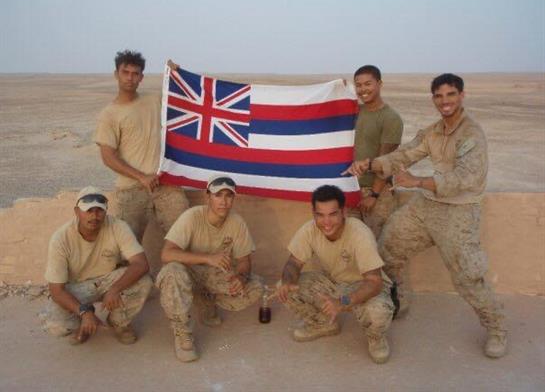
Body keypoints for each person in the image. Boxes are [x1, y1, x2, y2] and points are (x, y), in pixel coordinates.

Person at [344, 73, 507, 358]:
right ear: (433, 99)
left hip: (459, 211)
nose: (445, 101)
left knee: (468, 277)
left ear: (462, 96)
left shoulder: (472, 134)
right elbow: (405, 154)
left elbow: (464, 179)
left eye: (451, 94)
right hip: (426, 205)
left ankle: (496, 329)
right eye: (439, 96)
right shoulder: (433, 131)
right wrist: (370, 163)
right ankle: (397, 300)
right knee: (387, 249)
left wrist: (417, 182)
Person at [277, 185, 394, 364]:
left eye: (333, 214)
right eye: (320, 215)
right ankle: (323, 324)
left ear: (344, 212)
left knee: (378, 311)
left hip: (364, 286)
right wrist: (287, 280)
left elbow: (374, 282)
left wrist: (342, 302)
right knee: (284, 287)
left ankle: (376, 338)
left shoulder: (360, 233)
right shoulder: (309, 229)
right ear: (313, 214)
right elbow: (294, 262)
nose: (327, 222)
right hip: (335, 283)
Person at [156, 175, 264, 362]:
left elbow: (244, 261)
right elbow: (166, 254)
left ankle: (206, 300)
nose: (223, 201)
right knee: (171, 272)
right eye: (218, 195)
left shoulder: (236, 222)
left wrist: (241, 277)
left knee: (255, 286)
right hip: (188, 272)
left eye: (228, 196)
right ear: (207, 197)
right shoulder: (192, 217)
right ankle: (182, 332)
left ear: (233, 199)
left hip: (213, 275)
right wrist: (207, 258)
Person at [94, 50, 189, 242]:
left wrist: (177, 75)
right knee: (127, 247)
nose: (130, 78)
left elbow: (184, 100)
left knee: (184, 239)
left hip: (165, 186)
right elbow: (108, 157)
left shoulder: (154, 101)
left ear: (141, 77)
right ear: (116, 74)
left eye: (135, 73)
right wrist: (141, 177)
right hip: (131, 189)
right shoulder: (109, 114)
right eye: (125, 72)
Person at [41, 186, 153, 345]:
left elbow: (141, 264)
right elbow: (56, 291)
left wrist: (115, 289)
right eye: (89, 210)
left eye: (99, 210)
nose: (94, 216)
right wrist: (84, 312)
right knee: (55, 323)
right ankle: (84, 322)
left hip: (109, 280)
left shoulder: (118, 227)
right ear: (77, 212)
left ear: (106, 211)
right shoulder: (61, 238)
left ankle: (118, 322)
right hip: (78, 287)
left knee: (144, 281)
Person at [350, 65, 403, 238]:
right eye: (358, 85)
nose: (363, 89)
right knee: (354, 243)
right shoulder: (357, 112)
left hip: (377, 193)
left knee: (377, 243)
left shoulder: (391, 118)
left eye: (368, 84)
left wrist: (374, 195)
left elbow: (386, 160)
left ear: (379, 84)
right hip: (352, 190)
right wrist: (337, 89)